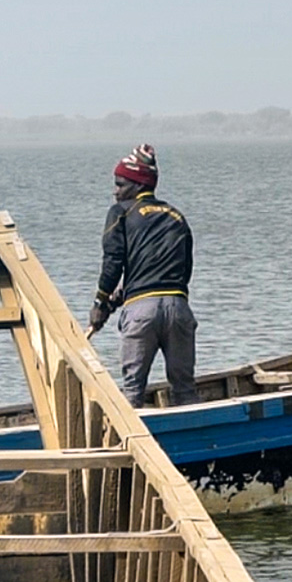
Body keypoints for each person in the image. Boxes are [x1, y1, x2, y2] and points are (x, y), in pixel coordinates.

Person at [87, 144, 198, 408]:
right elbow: (183, 272)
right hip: (179, 308)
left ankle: (131, 444)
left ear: (138, 185)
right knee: (185, 389)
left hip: (141, 314)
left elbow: (113, 261)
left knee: (133, 391)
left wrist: (100, 303)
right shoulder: (177, 217)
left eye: (120, 184)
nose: (115, 191)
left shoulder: (121, 212)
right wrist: (121, 297)